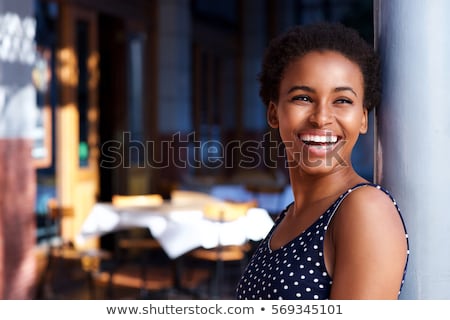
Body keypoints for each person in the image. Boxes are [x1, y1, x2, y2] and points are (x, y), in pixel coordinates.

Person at [235, 22, 409, 300]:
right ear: (274, 113)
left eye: (342, 100)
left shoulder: (364, 209)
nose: (321, 117)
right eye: (302, 98)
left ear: (363, 118)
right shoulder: (288, 216)